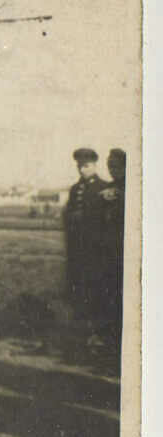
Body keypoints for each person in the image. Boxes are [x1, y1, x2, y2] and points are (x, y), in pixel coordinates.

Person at [62, 147, 109, 330]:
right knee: (78, 286)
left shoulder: (103, 188)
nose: (82, 169)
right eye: (79, 166)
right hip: (77, 248)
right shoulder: (75, 189)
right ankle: (80, 328)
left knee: (95, 287)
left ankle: (95, 329)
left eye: (86, 166)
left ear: (95, 165)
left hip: (96, 248)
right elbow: (69, 215)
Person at [99, 148, 126, 348]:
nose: (112, 171)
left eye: (116, 166)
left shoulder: (131, 187)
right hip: (110, 249)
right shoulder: (109, 187)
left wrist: (121, 197)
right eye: (110, 167)